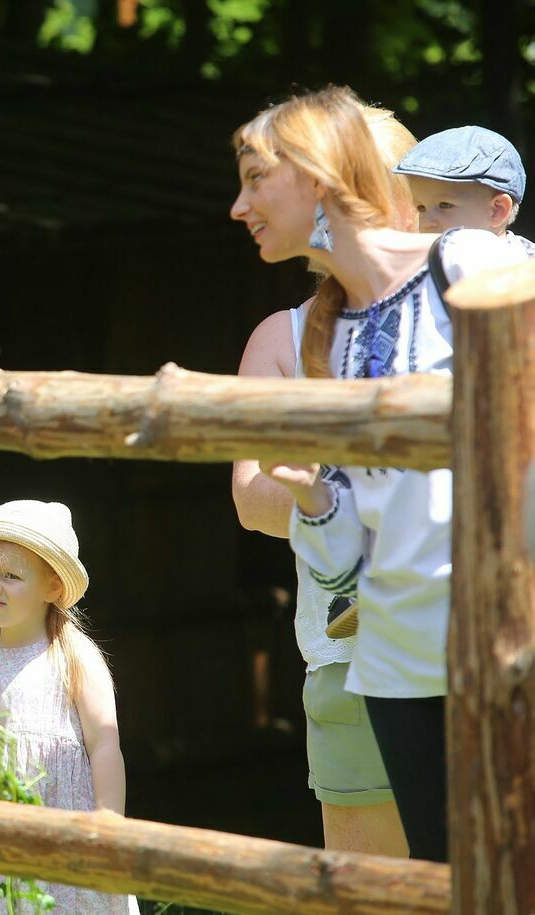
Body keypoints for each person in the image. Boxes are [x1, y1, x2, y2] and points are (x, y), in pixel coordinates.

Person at [228, 86, 527, 862]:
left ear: (319, 178)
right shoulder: (332, 332)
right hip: (391, 666)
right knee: (447, 885)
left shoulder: (472, 265)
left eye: (257, 178)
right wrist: (314, 496)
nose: (238, 205)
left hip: (502, 647)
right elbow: (338, 554)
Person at [230, 105, 416, 858]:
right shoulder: (281, 335)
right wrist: (340, 490)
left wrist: (335, 478)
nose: (237, 208)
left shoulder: (474, 296)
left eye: (252, 181)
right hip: (346, 654)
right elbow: (252, 499)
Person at [0, 499, 137, 914]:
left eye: (11, 575)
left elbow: (104, 744)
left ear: (53, 588)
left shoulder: (73, 654)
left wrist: (108, 827)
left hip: (63, 840)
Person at [392, 125, 535, 255]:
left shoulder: (524, 273)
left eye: (444, 205)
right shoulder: (420, 270)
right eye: (421, 207)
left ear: (497, 210)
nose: (427, 223)